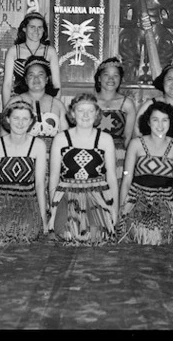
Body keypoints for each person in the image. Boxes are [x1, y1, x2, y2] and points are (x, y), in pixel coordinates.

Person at [48, 93, 118, 245]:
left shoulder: (105, 139)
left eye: (90, 111)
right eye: (80, 110)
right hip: (67, 194)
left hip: (97, 195)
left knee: (95, 236)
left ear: (97, 113)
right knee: (66, 234)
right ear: (73, 113)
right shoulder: (61, 139)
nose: (85, 115)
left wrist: (114, 210)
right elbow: (54, 176)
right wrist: (53, 208)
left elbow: (111, 177)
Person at [0, 100, 48, 244]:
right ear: (7, 119)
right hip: (1, 200)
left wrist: (44, 221)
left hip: (27, 200)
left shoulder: (38, 145)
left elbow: (40, 186)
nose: (20, 123)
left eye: (25, 119)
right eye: (16, 118)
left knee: (28, 236)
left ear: (31, 122)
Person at [117, 101, 173, 245]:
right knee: (139, 235)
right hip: (138, 199)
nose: (160, 125)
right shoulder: (136, 143)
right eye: (155, 120)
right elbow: (127, 179)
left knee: (160, 237)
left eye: (164, 120)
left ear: (170, 122)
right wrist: (123, 210)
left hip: (164, 200)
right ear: (148, 122)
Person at [1, 12, 62, 107]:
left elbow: (56, 84)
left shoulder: (50, 51)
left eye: (40, 27)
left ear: (44, 30)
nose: (36, 31)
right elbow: (7, 84)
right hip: (19, 102)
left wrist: (54, 108)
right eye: (32, 27)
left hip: (44, 101)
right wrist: (6, 109)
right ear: (24, 29)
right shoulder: (14, 51)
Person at [94, 57, 137, 183]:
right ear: (99, 78)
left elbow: (128, 136)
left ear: (120, 79)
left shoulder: (127, 103)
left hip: (118, 154)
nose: (111, 79)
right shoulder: (90, 101)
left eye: (115, 75)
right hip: (93, 151)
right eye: (106, 75)